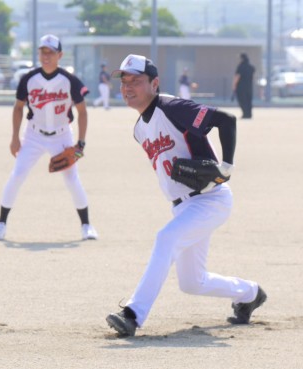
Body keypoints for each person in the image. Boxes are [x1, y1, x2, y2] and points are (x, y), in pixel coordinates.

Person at [105, 54, 266, 337]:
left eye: (136, 81)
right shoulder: (139, 129)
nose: (128, 87)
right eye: (124, 81)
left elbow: (225, 120)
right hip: (183, 207)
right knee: (192, 282)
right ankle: (250, 293)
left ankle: (132, 313)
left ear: (154, 83)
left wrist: (226, 165)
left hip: (209, 200)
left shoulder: (172, 107)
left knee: (166, 238)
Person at [0, 34, 98, 241]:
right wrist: (15, 138)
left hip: (62, 135)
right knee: (18, 174)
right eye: (43, 52)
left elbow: (82, 112)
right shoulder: (29, 79)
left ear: (60, 55)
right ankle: (0, 223)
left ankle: (86, 225)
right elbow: (18, 108)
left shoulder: (69, 80)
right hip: (34, 135)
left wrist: (80, 143)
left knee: (72, 180)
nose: (46, 56)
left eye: (50, 52)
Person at [232, 53, 255, 119]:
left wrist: (234, 85)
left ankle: (245, 114)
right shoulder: (251, 67)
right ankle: (249, 114)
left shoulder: (241, 66)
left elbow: (237, 77)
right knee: (248, 101)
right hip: (249, 87)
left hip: (241, 87)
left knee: (242, 101)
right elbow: (253, 77)